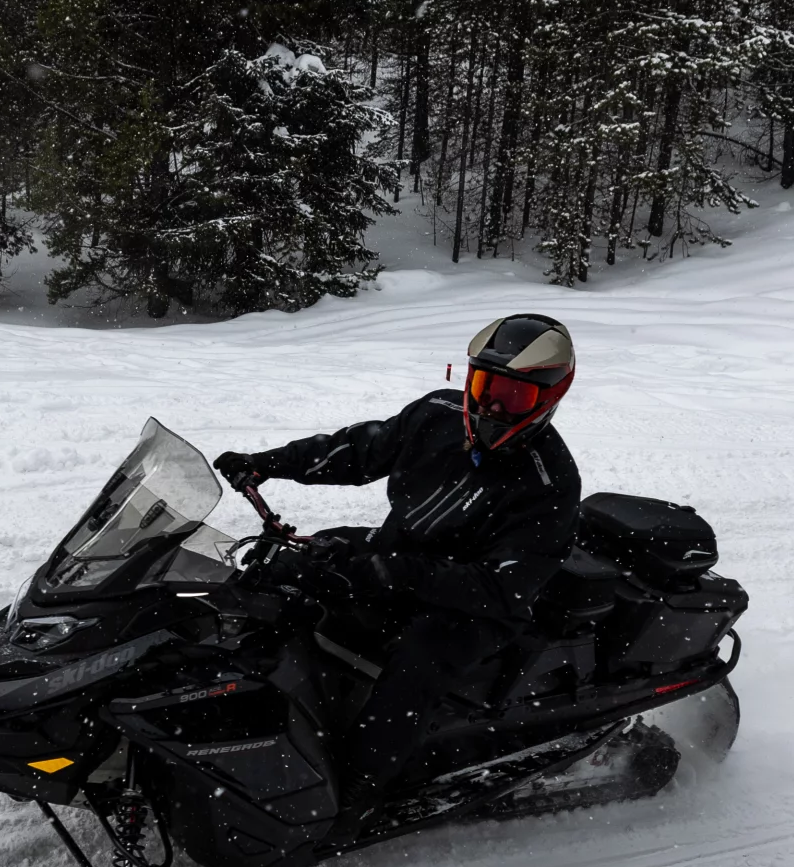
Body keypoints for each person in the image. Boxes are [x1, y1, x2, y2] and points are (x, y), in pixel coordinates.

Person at [215, 313, 582, 826]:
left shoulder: (549, 484)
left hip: (478, 604)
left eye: (514, 395)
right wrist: (269, 463)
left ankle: (357, 797)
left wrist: (385, 573)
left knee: (416, 667)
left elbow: (498, 586)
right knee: (293, 565)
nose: (491, 404)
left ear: (548, 396)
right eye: (484, 384)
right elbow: (358, 450)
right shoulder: (437, 414)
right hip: (408, 555)